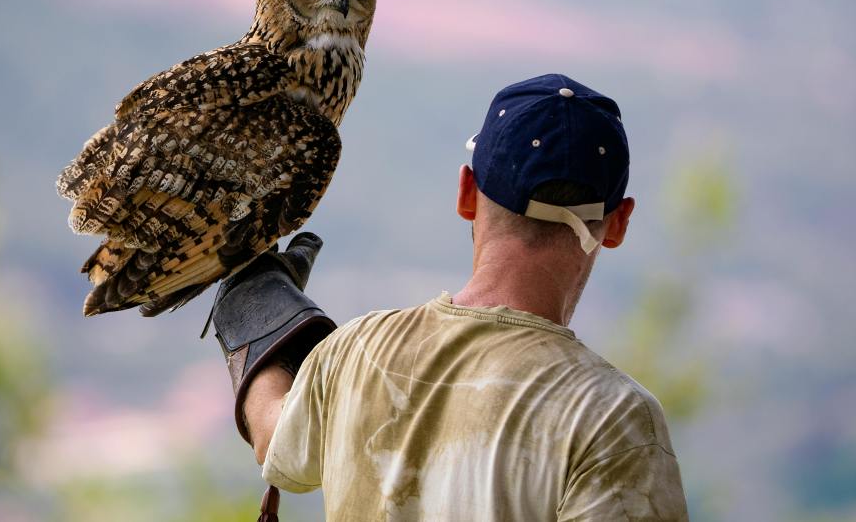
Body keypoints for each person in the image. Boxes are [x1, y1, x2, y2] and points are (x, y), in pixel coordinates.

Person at [209, 74, 689, 521]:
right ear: (618, 222)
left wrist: (252, 307)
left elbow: (275, 442)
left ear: (466, 192)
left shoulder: (356, 351)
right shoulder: (612, 418)